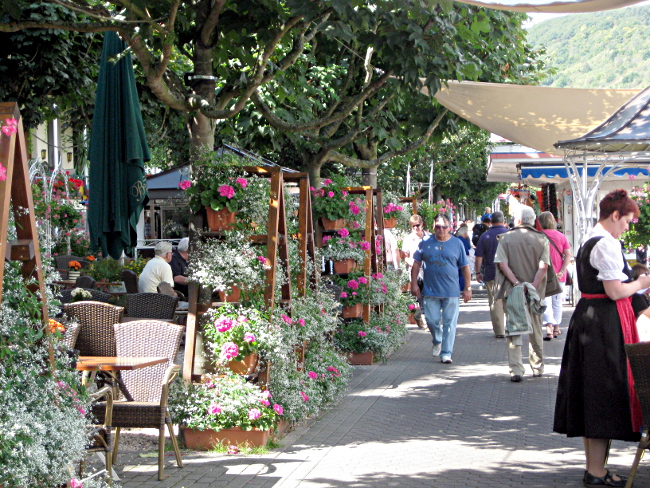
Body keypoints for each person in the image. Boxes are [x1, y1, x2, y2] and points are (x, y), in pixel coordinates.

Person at [553, 189, 650, 488]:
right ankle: (595, 470)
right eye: (627, 220)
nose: (627, 227)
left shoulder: (594, 238)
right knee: (600, 394)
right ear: (615, 215)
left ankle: (596, 468)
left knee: (595, 394)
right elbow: (615, 291)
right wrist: (641, 283)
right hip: (602, 324)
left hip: (594, 320)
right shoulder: (604, 243)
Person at [494, 205, 552, 382]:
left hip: (512, 291)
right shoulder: (542, 240)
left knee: (514, 329)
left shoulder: (505, 239)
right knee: (536, 329)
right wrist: (532, 286)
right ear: (532, 220)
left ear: (517, 220)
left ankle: (516, 369)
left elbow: (502, 264)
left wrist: (517, 284)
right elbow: (544, 266)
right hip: (535, 292)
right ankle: (537, 366)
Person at [411, 214, 472, 364]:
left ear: (449, 228)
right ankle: (437, 339)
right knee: (431, 321)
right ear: (433, 227)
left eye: (444, 227)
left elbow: (465, 267)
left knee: (450, 323)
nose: (441, 230)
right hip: (430, 290)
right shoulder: (425, 242)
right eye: (438, 227)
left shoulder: (457, 243)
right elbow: (416, 264)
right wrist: (413, 284)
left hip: (451, 291)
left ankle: (446, 353)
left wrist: (468, 288)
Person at [538, 211, 572, 341]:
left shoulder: (538, 236)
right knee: (557, 302)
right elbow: (568, 254)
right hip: (559, 275)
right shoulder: (561, 236)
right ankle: (557, 327)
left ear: (541, 222)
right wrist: (563, 270)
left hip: (543, 274)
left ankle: (549, 328)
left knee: (545, 301)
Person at [474, 211, 509, 338]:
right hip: (509, 275)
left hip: (491, 273)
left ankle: (499, 331)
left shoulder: (485, 236)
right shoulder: (509, 234)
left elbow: (479, 257)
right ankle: (511, 328)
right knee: (509, 301)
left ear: (491, 221)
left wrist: (478, 272)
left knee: (495, 302)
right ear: (503, 220)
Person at [402, 214, 429, 329]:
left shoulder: (429, 237)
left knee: (428, 295)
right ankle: (426, 321)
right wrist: (414, 264)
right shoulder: (408, 239)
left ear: (422, 224)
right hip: (415, 271)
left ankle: (419, 315)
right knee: (421, 296)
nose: (415, 228)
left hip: (428, 270)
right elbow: (405, 256)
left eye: (417, 225)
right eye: (413, 226)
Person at [455, 225, 471, 293]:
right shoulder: (464, 241)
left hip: (455, 260)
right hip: (462, 260)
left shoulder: (455, 240)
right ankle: (461, 288)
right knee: (462, 274)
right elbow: (467, 251)